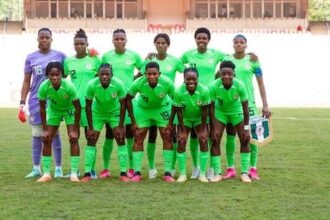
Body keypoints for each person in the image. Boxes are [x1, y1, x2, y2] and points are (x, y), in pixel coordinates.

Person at [219, 34, 271, 180]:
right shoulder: (226, 59)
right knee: (230, 137)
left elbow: (261, 84)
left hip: (250, 104)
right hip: (231, 105)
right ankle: (230, 169)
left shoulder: (253, 61)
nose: (238, 44)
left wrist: (265, 104)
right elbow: (218, 76)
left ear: (246, 45)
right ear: (233, 44)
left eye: (241, 42)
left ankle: (252, 169)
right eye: (236, 42)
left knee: (252, 138)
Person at [137, 33, 185, 179]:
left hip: (167, 103)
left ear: (168, 45)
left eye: (164, 43)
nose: (161, 45)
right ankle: (151, 168)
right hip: (149, 104)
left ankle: (170, 168)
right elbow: (136, 79)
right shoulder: (149, 61)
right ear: (155, 44)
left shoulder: (176, 61)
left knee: (171, 135)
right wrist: (144, 61)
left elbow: (188, 75)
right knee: (151, 136)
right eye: (158, 42)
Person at [20, 28, 66, 178]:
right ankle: (36, 168)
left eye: (47, 37)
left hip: (54, 101)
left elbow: (71, 70)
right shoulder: (30, 57)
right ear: (38, 39)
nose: (44, 39)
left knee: (55, 133)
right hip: (35, 100)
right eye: (42, 37)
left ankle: (58, 168)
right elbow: (27, 80)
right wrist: (22, 102)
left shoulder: (60, 56)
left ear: (51, 39)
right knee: (37, 134)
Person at [180, 27, 226, 179]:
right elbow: (178, 65)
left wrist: (217, 75)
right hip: (193, 99)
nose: (201, 40)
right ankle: (196, 167)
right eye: (199, 38)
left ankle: (212, 167)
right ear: (195, 39)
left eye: (204, 38)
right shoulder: (188, 54)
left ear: (208, 40)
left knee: (211, 134)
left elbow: (229, 61)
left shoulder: (216, 54)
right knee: (194, 135)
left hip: (210, 99)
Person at [101, 28, 143, 178]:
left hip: (129, 100)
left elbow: (144, 70)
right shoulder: (106, 56)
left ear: (126, 40)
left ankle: (131, 168)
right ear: (112, 40)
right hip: (112, 101)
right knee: (110, 134)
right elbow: (100, 73)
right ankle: (105, 169)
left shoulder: (134, 56)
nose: (119, 41)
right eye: (116, 39)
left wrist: (133, 82)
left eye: (122, 39)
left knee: (130, 133)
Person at [126, 62, 175, 182]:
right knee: (138, 136)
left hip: (161, 109)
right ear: (145, 74)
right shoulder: (138, 82)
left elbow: (176, 100)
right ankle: (137, 172)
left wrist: (171, 122)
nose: (152, 76)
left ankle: (167, 172)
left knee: (166, 136)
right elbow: (127, 99)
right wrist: (133, 121)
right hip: (143, 110)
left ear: (159, 74)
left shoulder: (167, 82)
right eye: (149, 74)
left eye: (154, 74)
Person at [81, 63, 129, 182]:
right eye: (102, 74)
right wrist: (90, 127)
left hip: (114, 113)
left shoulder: (118, 84)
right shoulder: (92, 84)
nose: (104, 76)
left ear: (112, 75)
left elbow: (123, 105)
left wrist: (121, 125)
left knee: (121, 138)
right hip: (97, 113)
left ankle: (123, 173)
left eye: (107, 74)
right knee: (91, 139)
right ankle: (87, 173)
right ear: (98, 74)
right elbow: (88, 106)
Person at [63, 28, 101, 178]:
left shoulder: (96, 60)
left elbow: (104, 76)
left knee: (91, 137)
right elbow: (61, 77)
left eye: (81, 43)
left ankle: (90, 170)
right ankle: (75, 170)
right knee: (73, 137)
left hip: (90, 106)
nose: (79, 46)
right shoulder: (68, 62)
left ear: (87, 44)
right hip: (73, 105)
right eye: (76, 44)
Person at [37, 62, 81, 182]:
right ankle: (46, 174)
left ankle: (73, 174)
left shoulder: (69, 86)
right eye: (52, 75)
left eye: (58, 74)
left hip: (70, 110)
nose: (55, 77)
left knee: (73, 139)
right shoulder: (44, 87)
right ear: (47, 75)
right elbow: (41, 108)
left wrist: (75, 130)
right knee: (46, 139)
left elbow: (77, 108)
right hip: (54, 111)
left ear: (62, 74)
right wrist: (45, 130)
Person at [209, 61, 251, 183]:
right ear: (220, 74)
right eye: (223, 74)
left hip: (236, 112)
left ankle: (244, 173)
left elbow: (245, 108)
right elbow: (210, 108)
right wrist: (212, 128)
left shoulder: (240, 85)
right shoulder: (214, 86)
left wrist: (247, 128)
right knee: (215, 139)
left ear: (234, 74)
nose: (226, 76)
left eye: (229, 74)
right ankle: (217, 173)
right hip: (220, 113)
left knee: (244, 139)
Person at [173, 67, 210, 183]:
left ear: (198, 79)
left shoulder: (204, 91)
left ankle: (202, 174)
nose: (191, 81)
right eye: (188, 79)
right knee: (182, 141)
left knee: (203, 140)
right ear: (184, 79)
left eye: (194, 79)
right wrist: (182, 130)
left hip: (199, 118)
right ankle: (183, 174)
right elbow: (178, 112)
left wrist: (203, 128)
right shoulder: (178, 91)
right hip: (185, 118)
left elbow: (204, 112)